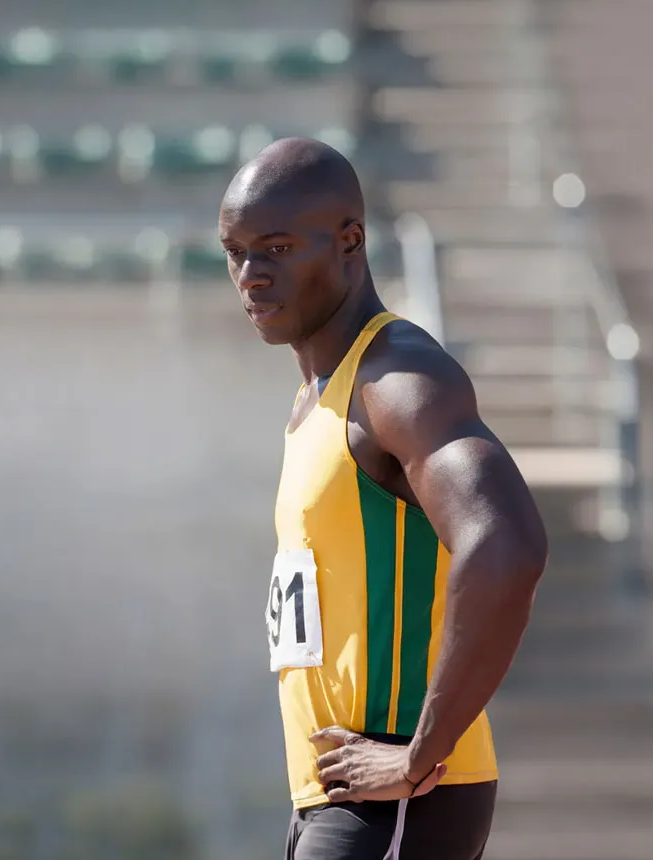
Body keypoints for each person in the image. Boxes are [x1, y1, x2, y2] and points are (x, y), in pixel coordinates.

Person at [219, 137, 549, 860]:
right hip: (338, 795)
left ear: (349, 241)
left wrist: (419, 752)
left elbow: (507, 545)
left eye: (274, 248)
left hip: (397, 793)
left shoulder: (396, 380)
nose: (250, 276)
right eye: (236, 253)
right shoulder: (318, 397)